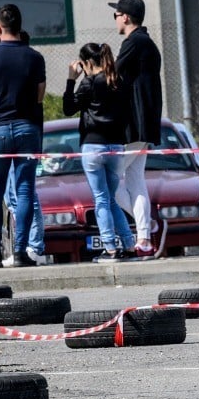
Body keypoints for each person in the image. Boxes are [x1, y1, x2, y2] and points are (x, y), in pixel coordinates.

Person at [62, 43, 135, 262]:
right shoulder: (117, 81)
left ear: (85, 63)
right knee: (111, 199)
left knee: (102, 199)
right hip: (116, 146)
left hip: (93, 146)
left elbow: (68, 109)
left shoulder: (89, 83)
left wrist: (70, 80)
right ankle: (130, 245)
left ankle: (110, 248)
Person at [109, 0, 161, 257]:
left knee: (109, 179)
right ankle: (144, 238)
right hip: (145, 124)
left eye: (116, 15)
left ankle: (146, 225)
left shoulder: (133, 42)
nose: (115, 20)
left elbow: (113, 75)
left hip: (133, 124)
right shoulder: (147, 42)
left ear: (126, 17)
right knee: (136, 181)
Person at [0, 4, 45, 268]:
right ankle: (21, 251)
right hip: (27, 128)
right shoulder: (34, 57)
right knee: (25, 190)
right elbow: (39, 96)